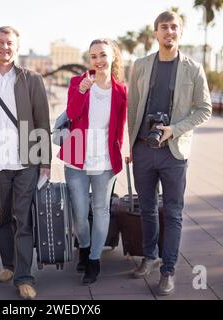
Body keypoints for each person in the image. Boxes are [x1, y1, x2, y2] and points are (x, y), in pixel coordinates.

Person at [127, 11, 212, 295]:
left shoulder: (194, 68)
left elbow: (205, 109)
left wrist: (174, 129)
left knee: (173, 212)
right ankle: (150, 257)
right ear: (156, 33)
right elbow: (132, 107)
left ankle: (168, 269)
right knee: (147, 208)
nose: (169, 32)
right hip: (142, 149)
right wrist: (131, 144)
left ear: (180, 32)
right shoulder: (140, 65)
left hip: (174, 152)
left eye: (174, 27)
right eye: (164, 28)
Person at [0, 26, 51, 300]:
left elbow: (42, 122)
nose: (5, 47)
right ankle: (9, 264)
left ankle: (24, 277)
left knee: (23, 219)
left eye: (10, 43)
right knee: (4, 218)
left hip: (26, 162)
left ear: (17, 48)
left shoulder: (32, 79)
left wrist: (45, 162)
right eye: (0, 42)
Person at [58, 39, 127, 285]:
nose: (98, 60)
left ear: (113, 57)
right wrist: (82, 91)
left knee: (101, 210)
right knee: (79, 213)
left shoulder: (120, 90)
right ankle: (84, 248)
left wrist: (120, 152)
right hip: (77, 158)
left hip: (105, 161)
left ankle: (94, 260)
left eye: (102, 55)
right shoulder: (78, 83)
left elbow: (119, 128)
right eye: (93, 56)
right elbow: (73, 114)